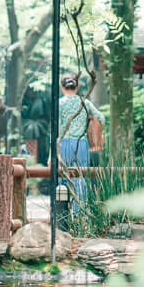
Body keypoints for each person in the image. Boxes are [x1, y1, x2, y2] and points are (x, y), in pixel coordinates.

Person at [56, 73, 103, 215]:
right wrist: (89, 119)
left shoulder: (60, 103)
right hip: (81, 144)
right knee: (80, 177)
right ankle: (79, 214)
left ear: (62, 87)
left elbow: (56, 127)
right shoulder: (85, 103)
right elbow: (101, 117)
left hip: (64, 143)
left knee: (63, 176)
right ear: (76, 87)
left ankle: (62, 214)